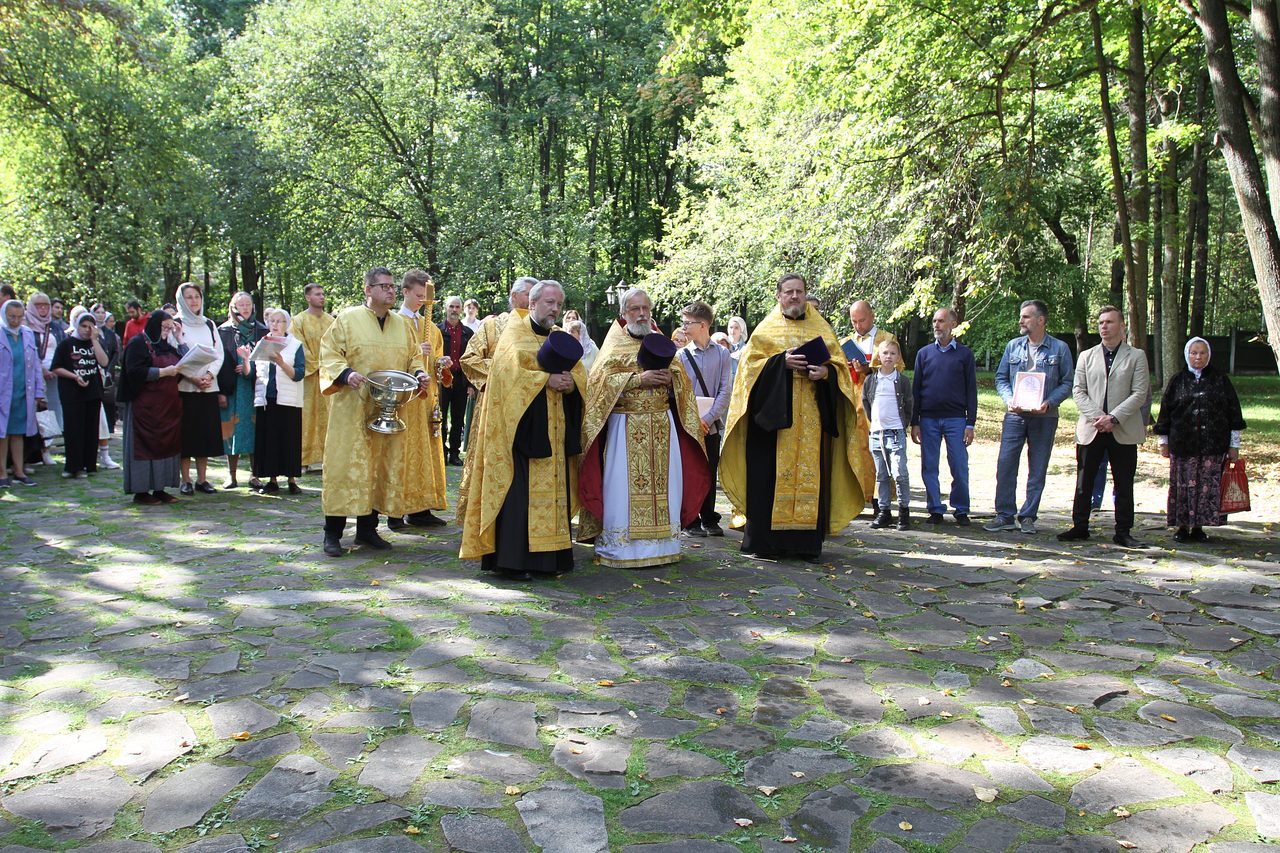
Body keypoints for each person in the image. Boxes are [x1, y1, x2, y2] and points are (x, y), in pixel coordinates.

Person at [719, 274, 866, 560]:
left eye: (799, 291)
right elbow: (747, 373)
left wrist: (826, 374)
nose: (795, 296)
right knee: (767, 479)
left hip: (811, 419)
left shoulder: (822, 328)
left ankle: (805, 545)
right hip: (773, 422)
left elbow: (839, 369)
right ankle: (764, 544)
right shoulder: (766, 330)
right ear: (779, 296)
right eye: (789, 292)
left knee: (810, 475)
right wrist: (780, 363)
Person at [459, 280, 587, 578]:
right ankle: (512, 562)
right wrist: (545, 380)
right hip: (520, 432)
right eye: (549, 303)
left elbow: (581, 374)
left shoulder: (559, 336)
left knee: (554, 493)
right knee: (518, 495)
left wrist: (571, 384)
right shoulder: (513, 335)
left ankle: (550, 560)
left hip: (554, 431)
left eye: (558, 304)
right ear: (532, 303)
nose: (554, 309)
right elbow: (505, 378)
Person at [578, 287, 710, 568]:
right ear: (623, 313)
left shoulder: (661, 343)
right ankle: (623, 549)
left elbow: (683, 383)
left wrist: (672, 381)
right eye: (634, 309)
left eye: (645, 308)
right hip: (624, 427)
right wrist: (639, 379)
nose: (641, 314)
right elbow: (598, 386)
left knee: (666, 485)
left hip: (662, 426)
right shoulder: (613, 346)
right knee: (621, 487)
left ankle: (663, 546)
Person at [319, 266, 431, 556]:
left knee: (380, 467)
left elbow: (414, 357)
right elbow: (328, 353)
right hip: (353, 408)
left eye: (392, 286)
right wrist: (345, 374)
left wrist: (419, 374)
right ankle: (332, 533)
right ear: (368, 290)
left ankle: (368, 530)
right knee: (346, 467)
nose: (391, 291)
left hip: (388, 410)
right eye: (384, 286)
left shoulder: (401, 324)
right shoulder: (347, 319)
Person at [1059, 305, 1150, 548]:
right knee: (1084, 481)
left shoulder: (1136, 356)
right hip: (1092, 428)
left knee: (1123, 483)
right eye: (1100, 322)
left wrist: (1114, 418)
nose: (1104, 326)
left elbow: (1139, 393)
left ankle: (1123, 531)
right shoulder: (1086, 356)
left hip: (1123, 429)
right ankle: (1080, 526)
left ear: (1122, 326)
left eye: (1109, 322)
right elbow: (1078, 391)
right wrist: (1099, 417)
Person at [985, 300, 1074, 535]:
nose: (1021, 321)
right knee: (1006, 464)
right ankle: (1004, 515)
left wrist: (1049, 402)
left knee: (1038, 468)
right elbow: (1001, 378)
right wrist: (1009, 399)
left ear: (1040, 320)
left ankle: (1027, 516)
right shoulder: (1013, 346)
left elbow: (1067, 382)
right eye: (1021, 316)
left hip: (1045, 417)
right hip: (1015, 415)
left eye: (1025, 317)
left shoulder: (1060, 348)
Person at [1153, 337, 1246, 543]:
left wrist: (1234, 444)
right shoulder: (1177, 380)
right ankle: (1182, 527)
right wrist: (1163, 441)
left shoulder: (1220, 380)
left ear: (1209, 355)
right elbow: (1165, 412)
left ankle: (1199, 528)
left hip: (1213, 445)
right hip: (1182, 445)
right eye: (1194, 353)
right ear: (1187, 355)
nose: (1198, 357)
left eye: (1202, 353)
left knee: (1206, 487)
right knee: (1183, 486)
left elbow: (1233, 412)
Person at [459, 276, 536, 504]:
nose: (534, 300)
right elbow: (469, 359)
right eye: (529, 294)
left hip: (531, 407)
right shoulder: (492, 326)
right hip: (494, 404)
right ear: (514, 296)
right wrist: (505, 373)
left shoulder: (545, 329)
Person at [389, 269, 449, 529]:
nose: (423, 302)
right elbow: (389, 359)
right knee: (402, 452)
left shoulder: (431, 327)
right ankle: (396, 509)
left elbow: (435, 364)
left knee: (426, 451)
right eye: (418, 296)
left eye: (427, 298)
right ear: (405, 292)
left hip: (427, 400)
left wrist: (440, 363)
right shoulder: (393, 323)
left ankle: (421, 507)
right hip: (405, 399)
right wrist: (415, 352)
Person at [910, 307, 978, 526]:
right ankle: (935, 509)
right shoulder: (924, 354)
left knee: (959, 464)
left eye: (941, 321)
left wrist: (970, 423)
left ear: (953, 324)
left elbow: (971, 390)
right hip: (928, 419)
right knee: (929, 465)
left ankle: (961, 509)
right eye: (934, 321)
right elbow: (916, 389)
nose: (936, 325)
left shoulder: (965, 354)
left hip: (956, 419)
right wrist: (914, 421)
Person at [676, 301, 733, 537]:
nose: (684, 327)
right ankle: (690, 520)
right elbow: (678, 392)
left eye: (687, 323)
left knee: (709, 470)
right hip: (687, 424)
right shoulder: (680, 356)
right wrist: (692, 420)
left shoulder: (722, 354)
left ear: (702, 325)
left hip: (711, 425)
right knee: (689, 470)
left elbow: (725, 391)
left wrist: (708, 419)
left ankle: (709, 518)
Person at [117, 310, 184, 504]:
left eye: (170, 328)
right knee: (143, 448)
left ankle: (160, 488)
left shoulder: (168, 346)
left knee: (164, 447)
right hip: (143, 408)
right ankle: (141, 492)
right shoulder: (137, 344)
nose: (167, 332)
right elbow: (134, 372)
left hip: (165, 408)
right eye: (165, 328)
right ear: (155, 325)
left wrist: (179, 339)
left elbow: (187, 362)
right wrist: (162, 372)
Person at [841, 300, 898, 515]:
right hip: (852, 403)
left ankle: (880, 502)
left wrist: (869, 370)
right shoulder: (846, 342)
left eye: (862, 320)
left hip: (878, 404)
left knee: (879, 450)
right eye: (854, 321)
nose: (858, 326)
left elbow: (898, 368)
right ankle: (854, 499)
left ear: (872, 316)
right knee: (854, 450)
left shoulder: (887, 339)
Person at [174, 282, 225, 496]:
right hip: (186, 387)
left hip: (208, 386)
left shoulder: (209, 324)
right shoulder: (176, 324)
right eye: (189, 297)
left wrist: (209, 375)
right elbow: (175, 355)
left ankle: (202, 479)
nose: (194, 301)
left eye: (197, 296)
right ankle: (185, 479)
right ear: (181, 300)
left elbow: (219, 353)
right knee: (186, 435)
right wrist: (193, 378)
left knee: (205, 434)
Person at [249, 308, 306, 494]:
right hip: (267, 399)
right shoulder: (262, 343)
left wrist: (281, 363)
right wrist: (245, 360)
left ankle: (291, 480)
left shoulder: (295, 345)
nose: (275, 324)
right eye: (272, 321)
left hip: (289, 399)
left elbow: (299, 374)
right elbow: (254, 373)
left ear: (287, 324)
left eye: (279, 321)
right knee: (269, 440)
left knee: (289, 439)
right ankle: (272, 480)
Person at [861, 338, 913, 529]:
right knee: (881, 475)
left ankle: (904, 511)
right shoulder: (871, 380)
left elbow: (909, 404)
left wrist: (903, 424)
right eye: (885, 353)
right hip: (877, 433)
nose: (888, 357)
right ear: (878, 356)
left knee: (899, 473)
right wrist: (875, 423)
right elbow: (866, 402)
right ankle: (884, 511)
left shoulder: (902, 381)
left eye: (892, 353)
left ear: (898, 357)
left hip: (896, 432)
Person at [219, 291, 267, 488]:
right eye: (241, 305)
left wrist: (250, 368)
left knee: (255, 431)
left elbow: (267, 359)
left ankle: (255, 475)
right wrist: (220, 391)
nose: (245, 308)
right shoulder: (223, 331)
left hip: (255, 387)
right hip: (232, 388)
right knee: (231, 431)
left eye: (248, 304)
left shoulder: (262, 331)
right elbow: (219, 362)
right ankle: (231, 476)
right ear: (233, 308)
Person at [51, 311, 107, 478]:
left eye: (90, 327)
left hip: (93, 392)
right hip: (72, 393)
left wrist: (94, 340)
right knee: (74, 429)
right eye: (83, 326)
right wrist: (75, 377)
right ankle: (73, 466)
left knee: (90, 429)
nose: (87, 330)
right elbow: (56, 367)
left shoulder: (94, 343)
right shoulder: (66, 344)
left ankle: (88, 464)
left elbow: (104, 361)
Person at [1, 298, 44, 487]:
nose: (16, 320)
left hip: (23, 391)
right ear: (4, 315)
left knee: (18, 432)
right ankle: (2, 473)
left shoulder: (27, 333)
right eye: (12, 316)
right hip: (3, 392)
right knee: (2, 433)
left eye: (19, 317)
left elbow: (36, 364)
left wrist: (39, 389)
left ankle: (19, 471)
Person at [293, 282, 334, 471]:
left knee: (329, 415)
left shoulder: (331, 321)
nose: (322, 297)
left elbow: (337, 344)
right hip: (309, 377)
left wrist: (329, 365)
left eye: (323, 294)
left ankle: (327, 458)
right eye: (317, 294)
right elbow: (298, 345)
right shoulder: (298, 321)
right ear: (308, 297)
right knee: (306, 416)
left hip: (328, 376)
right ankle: (303, 458)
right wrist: (316, 365)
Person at [438, 295, 474, 465]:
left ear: (461, 309)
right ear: (446, 308)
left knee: (458, 419)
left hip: (461, 380)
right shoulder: (437, 331)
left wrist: (471, 384)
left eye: (457, 307)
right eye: (451, 306)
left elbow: (472, 360)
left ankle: (454, 453)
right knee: (440, 417)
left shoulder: (468, 333)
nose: (454, 310)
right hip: (442, 380)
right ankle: (441, 452)